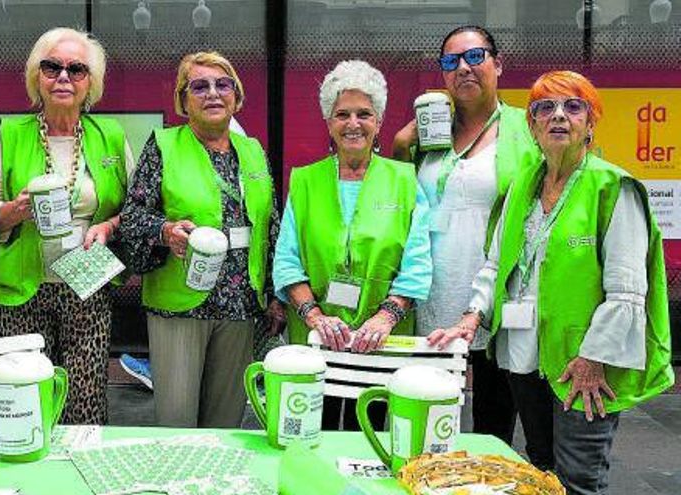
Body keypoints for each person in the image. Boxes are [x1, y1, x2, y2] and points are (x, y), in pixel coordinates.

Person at [429, 71, 674, 494]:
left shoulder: (613, 189)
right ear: (533, 127)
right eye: (546, 108)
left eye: (573, 107)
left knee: (579, 478)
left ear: (590, 123)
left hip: (583, 367)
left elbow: (627, 291)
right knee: (541, 470)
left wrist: (593, 359)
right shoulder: (521, 186)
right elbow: (495, 265)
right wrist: (472, 317)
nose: (559, 116)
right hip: (523, 359)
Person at [0, 27, 135, 425]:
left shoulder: (110, 137)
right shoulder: (10, 135)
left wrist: (108, 228)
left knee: (85, 401)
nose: (63, 77)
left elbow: (136, 209)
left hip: (88, 285)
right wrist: (13, 211)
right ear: (37, 77)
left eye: (76, 69)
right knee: (28, 400)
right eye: (52, 67)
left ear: (90, 83)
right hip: (22, 290)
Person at [392, 25, 541, 445]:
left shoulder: (526, 128)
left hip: (496, 294)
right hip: (433, 293)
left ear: (498, 64)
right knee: (429, 422)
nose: (463, 68)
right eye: (451, 61)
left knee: (493, 425)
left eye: (475, 57)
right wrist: (403, 144)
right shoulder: (430, 129)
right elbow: (399, 198)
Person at [119, 51, 284, 428]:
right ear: (183, 100)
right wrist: (165, 231)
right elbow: (132, 216)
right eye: (200, 86)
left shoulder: (253, 151)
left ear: (237, 97)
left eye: (222, 85)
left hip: (241, 306)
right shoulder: (163, 145)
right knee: (177, 423)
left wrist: (274, 295)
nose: (213, 94)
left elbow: (269, 224)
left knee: (225, 423)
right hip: (180, 306)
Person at [273, 60, 432, 430]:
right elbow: (287, 261)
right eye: (342, 114)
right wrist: (315, 316)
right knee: (316, 435)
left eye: (364, 113)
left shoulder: (404, 180)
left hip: (382, 341)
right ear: (329, 122)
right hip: (317, 341)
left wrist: (385, 317)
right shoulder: (306, 181)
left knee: (373, 439)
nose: (353, 123)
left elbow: (418, 262)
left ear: (379, 121)